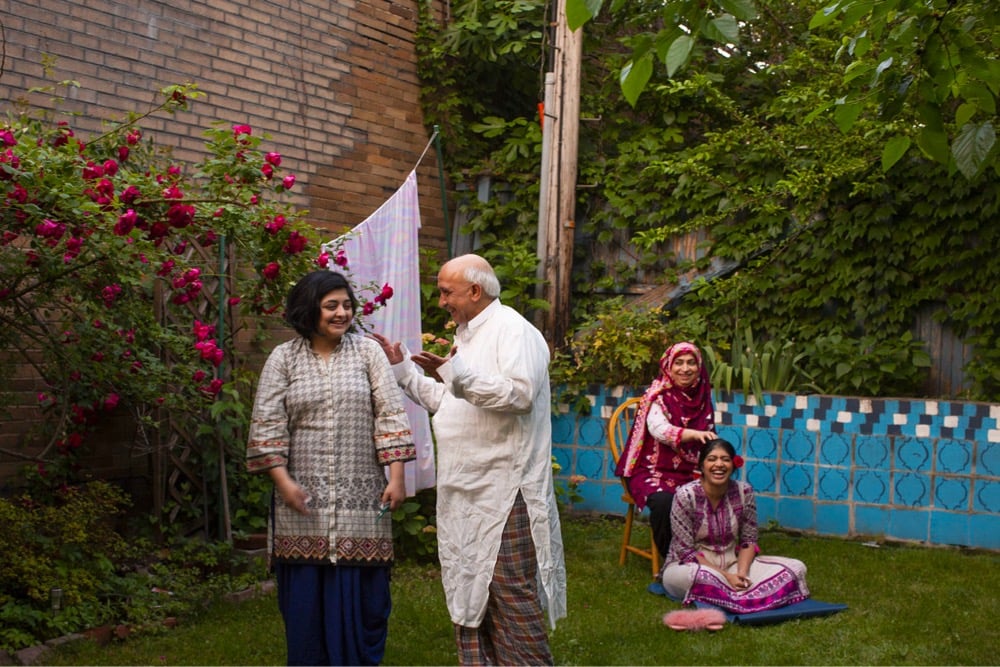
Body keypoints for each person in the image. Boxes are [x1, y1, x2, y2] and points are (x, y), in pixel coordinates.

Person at [371, 253, 567, 667]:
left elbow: (520, 394)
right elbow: (451, 402)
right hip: (466, 488)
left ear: (475, 291)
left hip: (504, 488)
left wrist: (456, 374)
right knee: (469, 585)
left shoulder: (514, 331)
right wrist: (404, 370)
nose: (441, 301)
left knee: (509, 593)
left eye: (447, 292)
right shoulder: (469, 335)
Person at [246, 270, 416, 666]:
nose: (342, 313)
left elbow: (389, 414)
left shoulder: (368, 353)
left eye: (346, 304)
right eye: (331, 306)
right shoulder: (283, 359)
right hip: (302, 508)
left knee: (368, 606)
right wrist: (283, 482)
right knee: (305, 612)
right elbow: (266, 424)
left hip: (363, 504)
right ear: (310, 310)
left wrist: (397, 476)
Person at [661, 438, 810, 613]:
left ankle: (733, 596)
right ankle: (754, 597)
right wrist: (726, 577)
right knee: (699, 577)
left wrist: (742, 573)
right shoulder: (685, 496)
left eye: (725, 459)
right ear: (701, 466)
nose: (719, 464)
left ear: (733, 465)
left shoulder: (744, 492)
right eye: (712, 459)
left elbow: (748, 540)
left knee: (796, 568)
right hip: (690, 567)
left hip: (732, 563)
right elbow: (685, 552)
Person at [614, 341, 717, 557]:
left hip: (689, 471)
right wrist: (693, 435)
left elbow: (708, 438)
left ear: (699, 367)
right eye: (678, 363)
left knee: (720, 489)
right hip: (652, 472)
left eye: (691, 363)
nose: (685, 368)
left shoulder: (702, 398)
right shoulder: (657, 396)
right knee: (665, 502)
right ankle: (674, 559)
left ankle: (715, 553)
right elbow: (660, 430)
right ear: (668, 367)